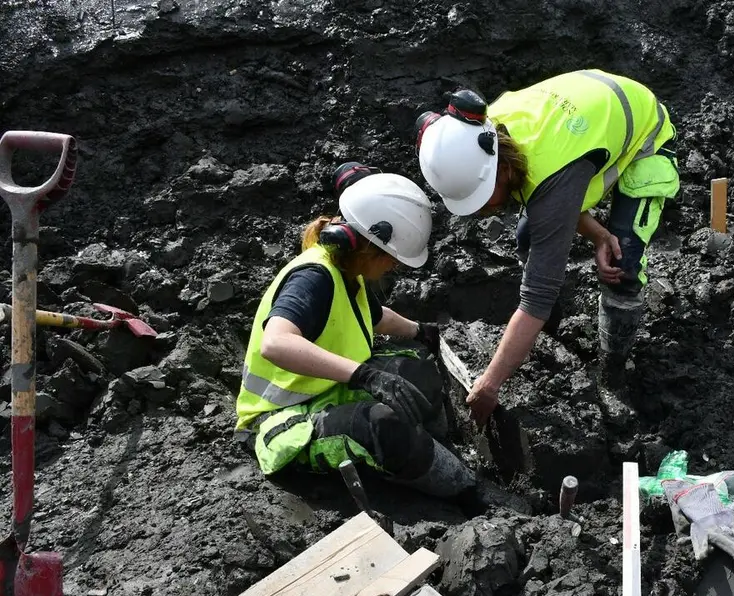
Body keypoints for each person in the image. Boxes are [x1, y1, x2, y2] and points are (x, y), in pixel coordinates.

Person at [414, 69, 680, 426]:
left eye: (482, 196)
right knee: (530, 235)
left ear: (501, 169)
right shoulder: (485, 134)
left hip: (644, 130)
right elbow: (558, 198)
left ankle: (612, 375)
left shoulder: (544, 171)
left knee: (623, 266)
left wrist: (490, 384)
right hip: (584, 123)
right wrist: (598, 234)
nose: (481, 209)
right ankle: (547, 334)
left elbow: (538, 285)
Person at [233, 162, 478, 501]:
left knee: (414, 369)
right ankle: (466, 494)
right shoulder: (314, 277)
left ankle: (437, 449)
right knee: (381, 427)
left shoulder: (346, 270)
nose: (394, 265)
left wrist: (420, 331)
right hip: (281, 421)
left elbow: (373, 317)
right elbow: (275, 343)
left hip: (323, 391)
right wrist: (364, 376)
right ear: (367, 246)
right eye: (390, 257)